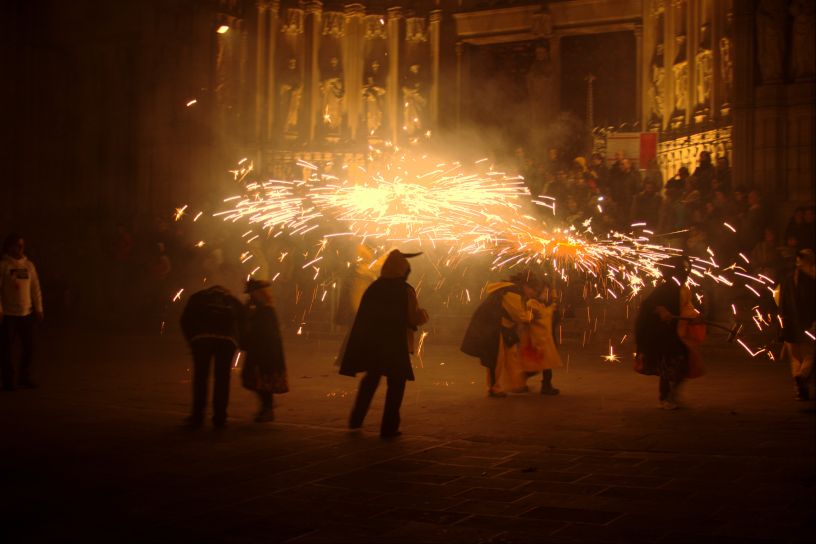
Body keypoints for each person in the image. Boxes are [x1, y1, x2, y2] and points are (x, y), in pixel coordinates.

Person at [340, 250, 429, 438]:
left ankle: (356, 419)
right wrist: (423, 316)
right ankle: (389, 428)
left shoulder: (374, 288)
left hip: (373, 345)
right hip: (395, 346)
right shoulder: (405, 290)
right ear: (403, 271)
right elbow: (412, 318)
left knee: (371, 380)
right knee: (396, 384)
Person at [634, 255, 704, 410]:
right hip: (665, 335)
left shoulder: (683, 289)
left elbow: (687, 307)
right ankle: (665, 397)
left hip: (678, 333)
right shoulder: (664, 289)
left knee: (684, 364)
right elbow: (648, 305)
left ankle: (673, 395)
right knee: (668, 366)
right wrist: (660, 309)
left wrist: (694, 317)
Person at [461, 271, 541, 397]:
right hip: (494, 328)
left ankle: (516, 385)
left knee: (512, 355)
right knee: (496, 359)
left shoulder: (511, 291)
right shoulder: (512, 293)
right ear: (525, 285)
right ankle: (493, 388)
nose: (533, 293)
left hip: (502, 328)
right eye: (533, 289)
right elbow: (520, 316)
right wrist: (532, 315)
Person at [179, 284, 244, 428]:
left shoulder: (197, 297)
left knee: (200, 377)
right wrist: (238, 343)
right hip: (227, 341)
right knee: (222, 378)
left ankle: (198, 416)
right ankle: (220, 416)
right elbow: (244, 320)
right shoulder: (232, 300)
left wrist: (192, 339)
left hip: (202, 339)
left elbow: (185, 319)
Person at [0, 234, 44, 390]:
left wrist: (38, 308)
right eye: (16, 246)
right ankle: (8, 380)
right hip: (9, 315)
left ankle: (24, 376)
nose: (19, 249)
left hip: (26, 313)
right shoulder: (3, 266)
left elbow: (35, 288)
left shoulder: (29, 266)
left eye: (21, 246)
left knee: (30, 346)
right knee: (6, 349)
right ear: (8, 247)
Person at [242, 279, 288, 422]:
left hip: (266, 351)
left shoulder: (266, 310)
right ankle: (266, 407)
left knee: (263, 380)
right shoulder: (256, 307)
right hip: (258, 350)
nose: (251, 296)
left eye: (252, 293)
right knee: (256, 380)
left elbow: (266, 332)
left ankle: (267, 409)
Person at [776, 249, 815, 401]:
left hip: (790, 324)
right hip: (807, 324)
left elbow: (781, 304)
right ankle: (802, 376)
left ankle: (801, 389)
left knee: (795, 358)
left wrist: (781, 326)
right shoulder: (812, 282)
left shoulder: (786, 280)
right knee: (809, 356)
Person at [520, 282, 563, 395]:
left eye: (548, 292)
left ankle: (546, 385)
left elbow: (553, 320)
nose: (546, 294)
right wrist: (531, 317)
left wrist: (555, 309)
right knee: (535, 366)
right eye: (544, 292)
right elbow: (528, 317)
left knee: (546, 365)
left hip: (546, 340)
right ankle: (520, 380)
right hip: (536, 340)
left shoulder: (546, 305)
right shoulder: (532, 303)